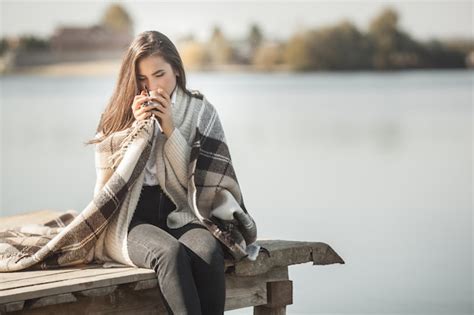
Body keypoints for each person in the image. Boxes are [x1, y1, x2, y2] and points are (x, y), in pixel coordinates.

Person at [86, 30, 226, 315]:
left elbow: (197, 183)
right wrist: (136, 132)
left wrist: (170, 129)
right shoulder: (116, 114)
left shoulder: (200, 111)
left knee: (210, 252)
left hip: (181, 212)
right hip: (130, 219)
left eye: (159, 74)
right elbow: (107, 186)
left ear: (176, 68)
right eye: (141, 79)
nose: (152, 86)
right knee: (169, 254)